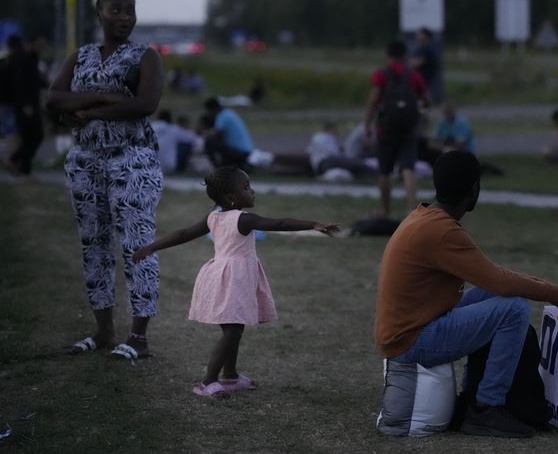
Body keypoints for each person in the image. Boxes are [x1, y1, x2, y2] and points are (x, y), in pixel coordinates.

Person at [374, 150, 558, 438]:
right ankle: (487, 408)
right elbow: (502, 281)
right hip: (412, 340)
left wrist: (554, 291)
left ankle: (474, 396)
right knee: (514, 309)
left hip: (412, 326)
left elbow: (495, 278)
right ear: (474, 189)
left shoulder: (424, 216)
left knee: (493, 295)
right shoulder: (443, 232)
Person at [132, 166, 339, 396]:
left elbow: (183, 234)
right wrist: (312, 224)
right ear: (231, 198)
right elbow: (279, 224)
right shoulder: (243, 219)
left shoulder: (214, 216)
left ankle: (230, 376)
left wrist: (152, 246)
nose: (252, 191)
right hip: (231, 280)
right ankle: (207, 382)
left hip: (225, 277)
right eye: (246, 187)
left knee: (234, 329)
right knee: (232, 331)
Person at [46, 0, 165, 360]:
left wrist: (90, 110)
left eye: (131, 10)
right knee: (93, 246)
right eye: (116, 10)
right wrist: (110, 98)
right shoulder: (79, 57)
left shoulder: (145, 57)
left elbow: (145, 104)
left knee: (137, 248)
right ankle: (103, 331)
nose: (126, 17)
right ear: (99, 14)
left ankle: (140, 339)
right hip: (86, 161)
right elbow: (54, 99)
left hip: (132, 161)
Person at [362, 40, 431, 218]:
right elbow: (427, 100)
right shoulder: (413, 75)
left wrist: (367, 126)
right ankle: (410, 211)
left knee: (385, 170)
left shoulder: (382, 74)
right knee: (408, 168)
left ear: (388, 54)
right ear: (404, 55)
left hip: (386, 129)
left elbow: (373, 101)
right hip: (409, 128)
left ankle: (386, 211)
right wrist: (415, 107)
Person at [6, 35, 45, 176]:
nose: (41, 48)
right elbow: (19, 84)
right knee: (31, 136)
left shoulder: (33, 59)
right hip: (24, 106)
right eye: (39, 45)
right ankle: (21, 165)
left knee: (34, 136)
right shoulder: (22, 59)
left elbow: (35, 82)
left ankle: (20, 164)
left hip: (32, 105)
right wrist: (25, 104)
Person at [306, 122, 376, 178]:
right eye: (335, 129)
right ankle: (375, 173)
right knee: (356, 164)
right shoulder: (326, 137)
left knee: (354, 165)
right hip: (328, 161)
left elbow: (309, 150)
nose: (337, 132)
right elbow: (334, 152)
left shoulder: (317, 137)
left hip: (321, 163)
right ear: (330, 129)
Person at [202, 97, 254, 170]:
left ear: (212, 109)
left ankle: (216, 167)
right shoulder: (229, 113)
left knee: (209, 142)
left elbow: (218, 134)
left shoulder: (222, 116)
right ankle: (231, 164)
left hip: (238, 152)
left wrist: (205, 134)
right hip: (245, 150)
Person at [411, 27, 443, 104]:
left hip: (424, 77)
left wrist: (410, 64)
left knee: (422, 97)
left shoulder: (427, 48)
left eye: (419, 34)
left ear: (425, 35)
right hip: (420, 77)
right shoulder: (421, 48)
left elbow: (418, 62)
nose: (417, 36)